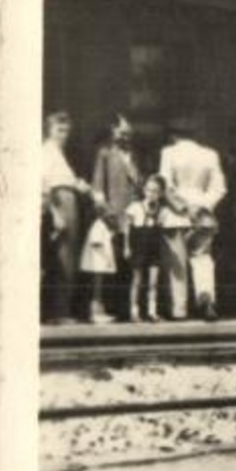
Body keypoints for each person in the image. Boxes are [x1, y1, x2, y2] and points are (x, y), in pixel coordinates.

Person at [159, 117, 228, 321]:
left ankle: (179, 309)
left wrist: (184, 207)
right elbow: (219, 188)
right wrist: (203, 206)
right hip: (203, 214)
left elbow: (166, 184)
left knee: (177, 262)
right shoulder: (210, 154)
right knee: (203, 258)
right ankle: (206, 299)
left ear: (174, 135)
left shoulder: (169, 152)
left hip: (176, 214)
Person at [41, 111, 97, 324]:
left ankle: (62, 309)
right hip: (59, 203)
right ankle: (57, 312)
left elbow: (68, 180)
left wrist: (84, 188)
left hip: (70, 200)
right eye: (59, 130)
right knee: (61, 259)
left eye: (66, 131)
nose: (63, 134)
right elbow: (44, 185)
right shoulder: (46, 151)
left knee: (70, 258)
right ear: (49, 129)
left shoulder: (58, 153)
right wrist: (55, 214)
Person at [91, 114, 142, 322]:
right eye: (121, 132)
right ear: (112, 131)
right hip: (113, 216)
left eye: (128, 132)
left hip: (132, 217)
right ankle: (100, 307)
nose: (125, 136)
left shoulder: (133, 155)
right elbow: (97, 188)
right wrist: (105, 212)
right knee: (106, 263)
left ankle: (126, 308)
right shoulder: (104, 154)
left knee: (128, 264)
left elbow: (138, 184)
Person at [124, 175, 177, 322]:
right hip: (139, 246)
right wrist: (127, 247)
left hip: (154, 248)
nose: (151, 194)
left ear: (160, 193)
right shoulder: (135, 207)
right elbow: (127, 229)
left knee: (153, 281)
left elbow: (164, 230)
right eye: (149, 190)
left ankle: (152, 312)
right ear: (144, 191)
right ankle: (134, 311)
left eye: (155, 191)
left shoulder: (163, 210)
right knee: (137, 280)